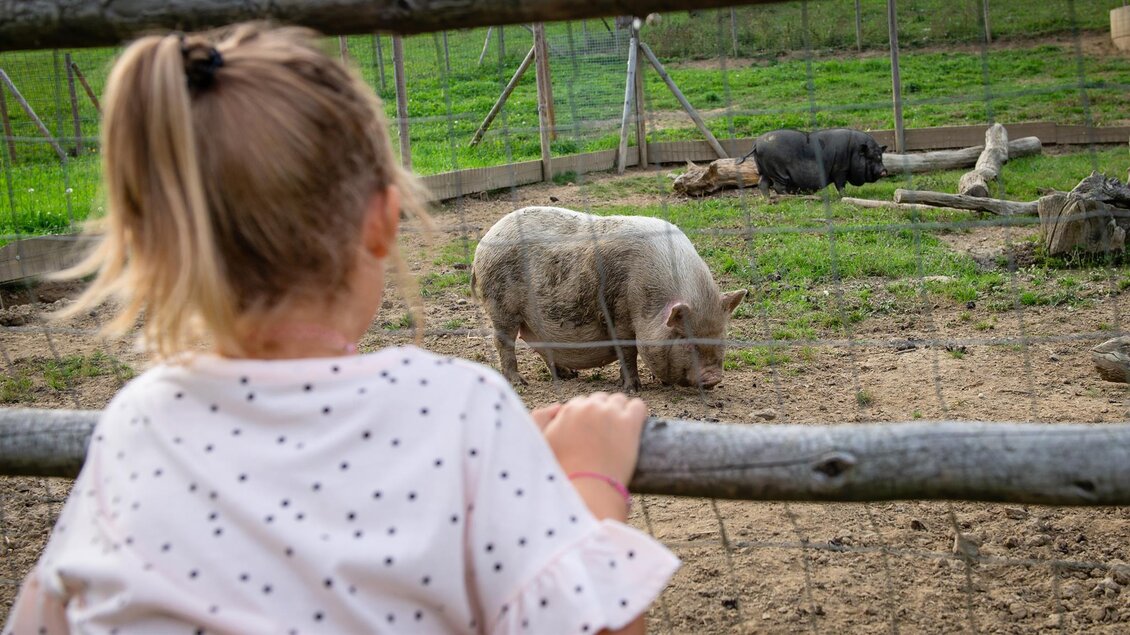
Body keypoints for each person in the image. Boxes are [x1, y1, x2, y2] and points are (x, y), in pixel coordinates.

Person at [4, 23, 678, 635]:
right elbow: (596, 626)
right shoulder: (463, 411)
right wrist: (591, 480)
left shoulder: (135, 425)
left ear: (161, 243)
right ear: (383, 220)